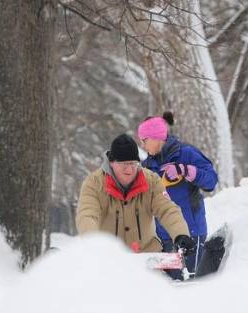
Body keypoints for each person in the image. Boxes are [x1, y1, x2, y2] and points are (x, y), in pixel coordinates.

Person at [75, 133, 196, 257]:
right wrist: (92, 242)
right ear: (111, 163)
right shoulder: (94, 183)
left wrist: (181, 234)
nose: (129, 170)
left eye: (133, 163)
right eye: (124, 164)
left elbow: (167, 210)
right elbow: (87, 215)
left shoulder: (151, 181)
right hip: (107, 258)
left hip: (146, 256)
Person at [138, 112, 218, 276]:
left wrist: (185, 170)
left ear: (156, 138)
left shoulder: (186, 154)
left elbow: (211, 180)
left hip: (191, 232)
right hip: (165, 236)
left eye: (144, 140)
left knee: (194, 282)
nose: (143, 146)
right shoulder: (146, 166)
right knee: (173, 287)